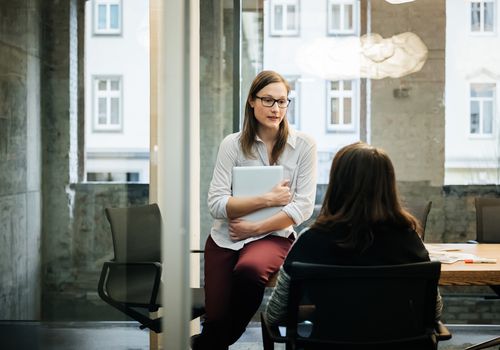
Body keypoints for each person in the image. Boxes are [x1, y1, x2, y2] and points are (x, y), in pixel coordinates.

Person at [191, 70, 317, 350]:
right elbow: (216, 203)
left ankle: (205, 345)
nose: (276, 109)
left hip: (273, 236)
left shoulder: (304, 145)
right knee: (217, 315)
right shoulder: (232, 144)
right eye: (268, 101)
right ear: (251, 101)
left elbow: (303, 206)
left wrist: (255, 227)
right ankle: (211, 339)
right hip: (226, 237)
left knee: (250, 270)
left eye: (283, 102)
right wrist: (268, 198)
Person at [265, 141, 443, 326]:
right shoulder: (409, 240)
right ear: (387, 187)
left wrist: (320, 311)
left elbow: (276, 315)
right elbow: (433, 311)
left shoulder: (310, 241)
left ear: (337, 185)